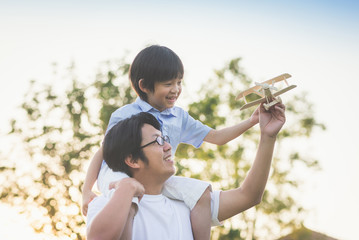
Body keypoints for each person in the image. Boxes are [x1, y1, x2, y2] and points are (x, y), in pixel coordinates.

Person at [82, 45, 260, 239]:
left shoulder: (178, 117)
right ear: (144, 86)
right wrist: (86, 190)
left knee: (201, 193)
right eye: (168, 84)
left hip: (155, 177)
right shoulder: (125, 115)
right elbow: (103, 152)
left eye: (179, 82)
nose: (176, 90)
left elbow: (217, 137)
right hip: (118, 175)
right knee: (128, 194)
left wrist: (252, 121)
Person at [87, 103, 286, 240]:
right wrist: (126, 189)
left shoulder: (189, 205)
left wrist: (268, 136)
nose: (168, 146)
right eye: (157, 141)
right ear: (132, 159)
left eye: (165, 139)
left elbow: (249, 195)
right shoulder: (105, 205)